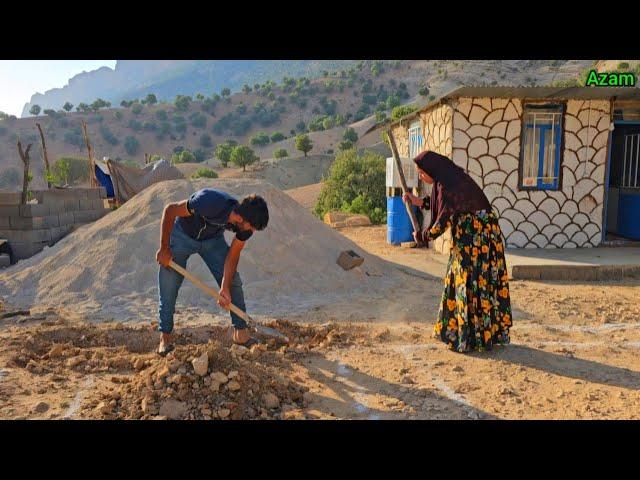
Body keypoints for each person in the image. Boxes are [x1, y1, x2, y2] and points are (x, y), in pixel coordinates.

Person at [403, 150, 512, 353]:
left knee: (471, 282)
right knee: (463, 281)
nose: (421, 177)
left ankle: (469, 337)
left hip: (477, 239)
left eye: (421, 172)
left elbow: (440, 224)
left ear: (431, 170)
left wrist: (421, 236)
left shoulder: (448, 186)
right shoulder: (450, 180)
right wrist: (416, 201)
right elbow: (440, 204)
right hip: (473, 237)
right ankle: (462, 332)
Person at [155, 188, 269, 355]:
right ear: (239, 217)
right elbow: (170, 210)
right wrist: (164, 248)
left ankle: (241, 335)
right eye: (250, 227)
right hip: (183, 235)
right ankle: (165, 338)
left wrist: (225, 287)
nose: (250, 231)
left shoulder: (245, 228)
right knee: (169, 285)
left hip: (212, 240)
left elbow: (233, 256)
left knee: (233, 282)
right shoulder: (208, 201)